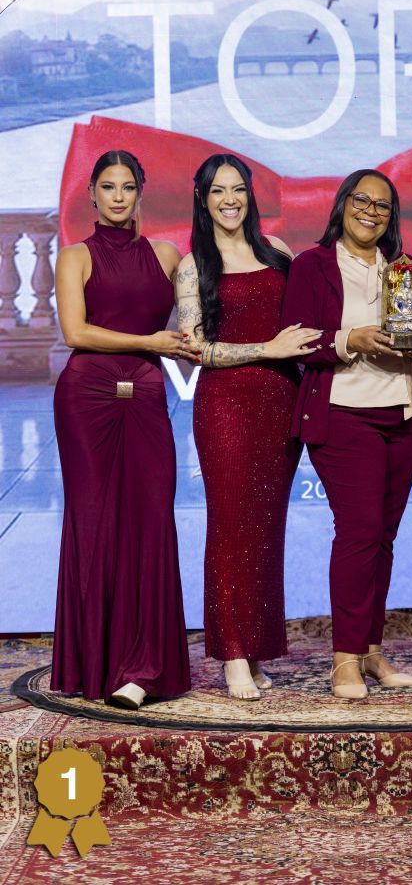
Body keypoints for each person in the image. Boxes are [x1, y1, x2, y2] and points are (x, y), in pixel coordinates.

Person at [281, 169, 412, 699]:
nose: (371, 211)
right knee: (359, 532)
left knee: (383, 537)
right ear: (342, 204)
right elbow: (297, 339)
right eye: (362, 200)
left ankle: (370, 650)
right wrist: (353, 339)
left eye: (382, 205)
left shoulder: (404, 269)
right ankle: (344, 659)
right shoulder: (313, 265)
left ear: (391, 217)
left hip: (405, 414)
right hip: (345, 412)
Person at [52, 149, 196, 708]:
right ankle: (95, 664)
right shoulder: (74, 256)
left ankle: (145, 667)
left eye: (127, 186)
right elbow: (76, 332)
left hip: (148, 393)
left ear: (140, 193)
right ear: (92, 193)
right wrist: (148, 342)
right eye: (108, 186)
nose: (118, 196)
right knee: (93, 523)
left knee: (151, 520)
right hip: (86, 397)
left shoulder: (166, 255)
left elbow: (197, 315)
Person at [176, 154, 320, 700]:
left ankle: (255, 649)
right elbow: (195, 349)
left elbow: (306, 326)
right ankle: (232, 654)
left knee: (264, 531)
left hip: (281, 404)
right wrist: (267, 349)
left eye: (237, 189)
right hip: (226, 407)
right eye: (218, 190)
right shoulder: (194, 266)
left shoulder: (277, 252)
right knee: (230, 527)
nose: (229, 199)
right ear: (202, 199)